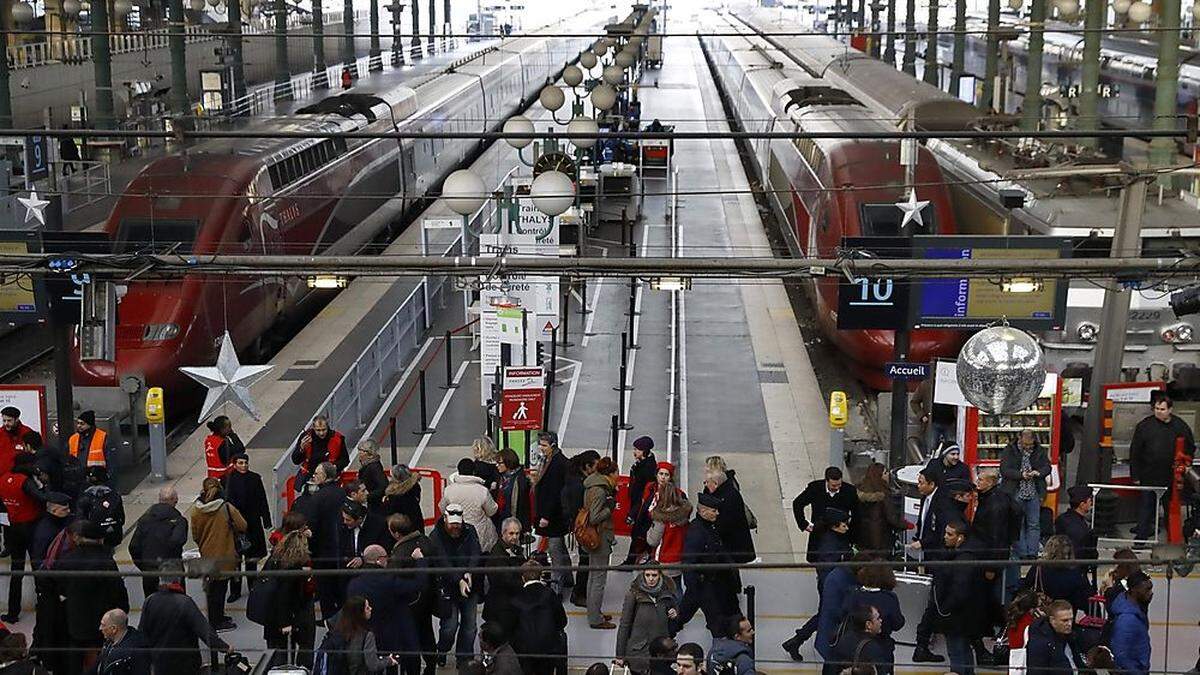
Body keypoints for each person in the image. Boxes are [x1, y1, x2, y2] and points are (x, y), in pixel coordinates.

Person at [56, 521, 129, 675]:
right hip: (100, 620)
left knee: (76, 655)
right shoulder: (105, 561)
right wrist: (122, 610)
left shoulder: (67, 559)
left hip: (75, 619)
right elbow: (117, 590)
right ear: (100, 540)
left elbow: (60, 587)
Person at [782, 508, 853, 660]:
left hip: (828, 583)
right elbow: (828, 568)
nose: (847, 528)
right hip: (830, 585)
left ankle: (797, 640)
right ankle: (798, 640)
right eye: (844, 525)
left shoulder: (830, 538)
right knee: (826, 614)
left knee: (823, 613)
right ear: (834, 526)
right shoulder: (830, 544)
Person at [344, 544, 424, 675]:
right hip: (390, 636)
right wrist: (420, 561)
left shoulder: (353, 584)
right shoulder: (388, 581)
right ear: (379, 560)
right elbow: (418, 585)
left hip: (363, 638)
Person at [138, 560, 228, 675]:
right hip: (185, 663)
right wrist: (224, 647)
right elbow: (205, 631)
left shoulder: (150, 601)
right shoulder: (185, 602)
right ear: (178, 579)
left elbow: (142, 634)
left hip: (161, 662)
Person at [1129, 396, 1195, 541]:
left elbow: (1190, 446)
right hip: (1148, 475)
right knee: (1146, 507)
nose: (1159, 412)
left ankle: (1171, 538)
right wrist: (1135, 476)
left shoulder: (1180, 426)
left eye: (1162, 409)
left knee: (1170, 508)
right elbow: (1135, 452)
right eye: (1157, 409)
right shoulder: (1144, 426)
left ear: (1170, 409)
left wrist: (1185, 465)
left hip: (1170, 477)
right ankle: (1141, 537)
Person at [674, 492, 739, 638]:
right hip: (703, 585)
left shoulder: (710, 528)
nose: (717, 513)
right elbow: (688, 562)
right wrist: (695, 586)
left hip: (713, 583)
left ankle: (667, 634)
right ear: (703, 511)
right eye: (714, 510)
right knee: (716, 624)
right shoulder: (697, 532)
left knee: (683, 616)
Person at [293, 461, 348, 621]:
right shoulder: (341, 493)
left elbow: (312, 526)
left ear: (324, 477)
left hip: (322, 551)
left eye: (317, 474)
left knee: (325, 590)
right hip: (340, 548)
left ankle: (329, 620)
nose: (314, 476)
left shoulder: (317, 498)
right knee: (339, 588)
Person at [260, 512, 317, 669]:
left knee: (280, 653)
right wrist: (285, 622)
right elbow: (284, 594)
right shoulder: (292, 561)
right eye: (305, 528)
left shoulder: (279, 549)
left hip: (279, 613)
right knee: (293, 650)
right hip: (293, 611)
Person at [429, 503, 482, 669]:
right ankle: (442, 649)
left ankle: (464, 658)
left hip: (468, 585)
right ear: (445, 520)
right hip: (447, 587)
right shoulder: (436, 536)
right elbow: (442, 562)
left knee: (470, 626)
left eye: (458, 524)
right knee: (449, 627)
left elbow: (476, 553)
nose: (455, 528)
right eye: (452, 525)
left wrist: (469, 573)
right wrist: (459, 579)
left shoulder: (470, 531)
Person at [190, 477, 246, 632]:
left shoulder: (196, 509)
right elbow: (243, 525)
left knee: (211, 589)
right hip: (225, 555)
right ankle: (218, 620)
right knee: (220, 590)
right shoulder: (226, 507)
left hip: (206, 555)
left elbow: (195, 535)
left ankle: (214, 618)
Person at [387, 513, 440, 675]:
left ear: (396, 533)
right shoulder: (426, 541)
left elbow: (391, 580)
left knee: (411, 643)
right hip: (427, 600)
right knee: (427, 635)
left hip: (409, 605)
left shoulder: (400, 554)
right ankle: (431, 666)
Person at [1, 451, 50, 623]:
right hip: (31, 527)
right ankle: (43, 602)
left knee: (17, 571)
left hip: (13, 529)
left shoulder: (4, 479)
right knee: (37, 566)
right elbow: (42, 497)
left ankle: (13, 612)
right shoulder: (25, 482)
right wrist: (43, 486)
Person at [930, 520, 980, 675]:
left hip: (957, 617)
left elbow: (960, 590)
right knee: (963, 650)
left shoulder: (963, 561)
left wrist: (945, 609)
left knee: (957, 651)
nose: (945, 537)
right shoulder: (962, 556)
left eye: (949, 534)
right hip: (963, 615)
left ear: (960, 538)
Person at [970, 470, 1017, 631]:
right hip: (986, 553)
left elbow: (996, 536)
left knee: (990, 593)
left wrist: (991, 565)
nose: (977, 482)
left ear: (990, 483)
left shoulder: (995, 505)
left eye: (981, 479)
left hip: (990, 556)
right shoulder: (991, 498)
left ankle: (992, 624)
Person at [222, 453, 271, 602]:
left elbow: (262, 499)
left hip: (252, 524)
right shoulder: (227, 480)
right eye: (240, 463)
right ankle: (235, 591)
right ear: (235, 464)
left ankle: (252, 587)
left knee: (251, 559)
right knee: (235, 561)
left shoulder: (255, 478)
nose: (244, 466)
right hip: (235, 526)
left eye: (245, 463)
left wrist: (266, 519)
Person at [614, 564, 679, 675]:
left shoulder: (667, 592)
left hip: (661, 653)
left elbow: (674, 613)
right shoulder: (633, 595)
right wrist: (620, 655)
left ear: (660, 575)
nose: (651, 579)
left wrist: (675, 613)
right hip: (639, 653)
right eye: (647, 575)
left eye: (654, 575)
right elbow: (624, 625)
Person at [128, 486, 188, 600]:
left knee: (152, 604)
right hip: (172, 571)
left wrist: (144, 565)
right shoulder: (179, 521)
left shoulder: (144, 520)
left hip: (150, 570)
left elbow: (133, 546)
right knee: (176, 605)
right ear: (175, 500)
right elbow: (177, 541)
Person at [508, 560, 568, 675]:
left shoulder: (516, 599)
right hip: (548, 649)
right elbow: (562, 621)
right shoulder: (550, 594)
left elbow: (511, 628)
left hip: (525, 651)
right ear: (540, 576)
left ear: (523, 578)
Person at [999, 429, 1051, 559]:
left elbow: (1047, 467)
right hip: (1015, 491)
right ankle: (1022, 552)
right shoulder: (1009, 450)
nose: (1028, 447)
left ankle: (1032, 553)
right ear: (1019, 439)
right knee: (1018, 524)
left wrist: (1038, 473)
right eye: (1025, 445)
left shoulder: (1039, 451)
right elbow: (1004, 470)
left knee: (1034, 523)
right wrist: (1020, 475)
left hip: (1034, 491)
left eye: (1030, 445)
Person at [843, 563, 904, 668]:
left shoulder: (853, 594)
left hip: (853, 646)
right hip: (882, 646)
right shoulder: (889, 598)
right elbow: (898, 623)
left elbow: (843, 614)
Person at [532, 432, 570, 593]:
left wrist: (545, 516)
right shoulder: (548, 460)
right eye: (540, 444)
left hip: (554, 516)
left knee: (555, 553)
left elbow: (554, 493)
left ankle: (557, 588)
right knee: (560, 549)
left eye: (544, 445)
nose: (541, 448)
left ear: (553, 445)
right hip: (552, 515)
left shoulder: (558, 464)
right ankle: (568, 579)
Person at [583, 457, 618, 629]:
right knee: (598, 579)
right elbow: (595, 516)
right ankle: (595, 618)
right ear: (610, 474)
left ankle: (593, 612)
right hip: (600, 537)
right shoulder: (600, 491)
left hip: (592, 536)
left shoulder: (591, 485)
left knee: (593, 576)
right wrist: (609, 507)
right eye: (616, 473)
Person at [701, 457, 756, 565]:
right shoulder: (722, 487)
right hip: (729, 546)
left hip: (732, 547)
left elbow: (726, 523)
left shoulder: (729, 495)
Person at [792, 467, 860, 553]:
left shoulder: (849, 491)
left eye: (839, 484)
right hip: (820, 532)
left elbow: (857, 513)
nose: (837, 488)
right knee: (818, 558)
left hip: (841, 533)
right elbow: (798, 503)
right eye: (833, 485)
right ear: (827, 481)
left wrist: (851, 531)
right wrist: (804, 524)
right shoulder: (815, 488)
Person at [562, 450, 599, 606]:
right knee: (585, 560)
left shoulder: (573, 479)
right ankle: (579, 592)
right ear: (587, 466)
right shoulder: (580, 485)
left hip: (577, 526)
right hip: (582, 527)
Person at [327, 595, 399, 675]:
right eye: (367, 608)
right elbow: (372, 665)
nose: (371, 609)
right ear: (360, 613)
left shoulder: (337, 631)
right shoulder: (367, 636)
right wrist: (388, 661)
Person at [644, 466, 691, 587]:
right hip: (680, 556)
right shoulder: (683, 515)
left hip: (664, 558)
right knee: (677, 587)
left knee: (665, 589)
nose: (663, 477)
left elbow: (652, 541)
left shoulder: (661, 518)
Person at [440, 458, 499, 552]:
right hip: (480, 533)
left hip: (456, 531)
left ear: (458, 472)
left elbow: (442, 509)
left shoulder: (449, 490)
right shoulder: (482, 491)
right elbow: (492, 511)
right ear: (474, 471)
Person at [1023, 535, 1091, 612]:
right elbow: (1084, 600)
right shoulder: (1075, 571)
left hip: (1044, 613)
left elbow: (1025, 588)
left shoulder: (1039, 567)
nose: (1066, 557)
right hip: (1066, 614)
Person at [483, 517, 525, 631]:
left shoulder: (516, 549)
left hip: (510, 602)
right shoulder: (497, 554)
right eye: (511, 533)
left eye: (517, 533)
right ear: (503, 533)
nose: (515, 537)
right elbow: (506, 580)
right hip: (500, 607)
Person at [853, 462, 904, 556]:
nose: (888, 474)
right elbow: (891, 517)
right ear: (879, 476)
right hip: (881, 538)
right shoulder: (883, 493)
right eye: (885, 473)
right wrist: (904, 525)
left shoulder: (858, 491)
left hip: (862, 538)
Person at [827, 604, 893, 675]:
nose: (881, 621)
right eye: (877, 618)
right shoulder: (873, 649)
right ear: (868, 625)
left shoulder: (842, 641)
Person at [1109, 571, 1153, 675]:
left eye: (1151, 588)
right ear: (1133, 589)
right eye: (1147, 590)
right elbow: (1120, 654)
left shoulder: (1136, 609)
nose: (1151, 593)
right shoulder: (1127, 620)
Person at [1025, 599, 1084, 674]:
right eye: (1065, 620)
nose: (1069, 624)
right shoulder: (1040, 644)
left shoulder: (1071, 637)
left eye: (1071, 620)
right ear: (1052, 620)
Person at [624, 436, 658, 564]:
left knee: (638, 534)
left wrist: (633, 513)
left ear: (644, 451)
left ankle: (631, 560)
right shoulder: (641, 464)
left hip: (641, 506)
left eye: (637, 449)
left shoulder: (647, 469)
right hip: (638, 504)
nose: (634, 452)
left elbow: (642, 494)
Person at [290, 415, 348, 488]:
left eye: (324, 430)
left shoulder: (338, 438)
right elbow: (295, 461)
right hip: (309, 476)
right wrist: (301, 448)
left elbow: (345, 460)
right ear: (313, 428)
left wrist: (333, 467)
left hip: (329, 478)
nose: (321, 433)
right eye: (318, 430)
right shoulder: (306, 437)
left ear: (328, 427)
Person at [87, 610, 149, 675]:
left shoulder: (135, 651)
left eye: (103, 625)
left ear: (114, 629)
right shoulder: (109, 644)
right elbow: (95, 668)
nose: (100, 628)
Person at [75, 467, 124, 548]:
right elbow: (122, 518)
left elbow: (80, 519)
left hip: (93, 539)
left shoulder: (85, 497)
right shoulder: (115, 496)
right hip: (113, 536)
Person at [1055, 485, 1098, 565]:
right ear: (1082, 504)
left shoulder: (1062, 518)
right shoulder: (1079, 527)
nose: (1091, 503)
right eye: (1089, 501)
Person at [492, 448, 531, 531]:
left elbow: (523, 505)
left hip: (514, 521)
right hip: (501, 519)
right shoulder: (501, 477)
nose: (496, 465)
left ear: (508, 462)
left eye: (499, 463)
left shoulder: (521, 479)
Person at [381, 464, 424, 532]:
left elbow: (390, 511)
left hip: (401, 527)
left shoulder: (395, 495)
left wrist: (385, 502)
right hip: (416, 522)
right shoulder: (414, 487)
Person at [202, 416, 243, 480]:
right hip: (225, 477)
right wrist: (232, 434)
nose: (230, 429)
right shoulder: (223, 443)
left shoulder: (209, 440)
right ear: (222, 429)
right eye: (229, 427)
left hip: (212, 477)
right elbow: (240, 449)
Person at [356, 440, 388, 515]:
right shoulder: (368, 465)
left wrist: (368, 496)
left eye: (361, 451)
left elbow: (383, 485)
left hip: (375, 504)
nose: (359, 453)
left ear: (368, 453)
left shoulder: (374, 467)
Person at [0, 407, 34, 475]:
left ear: (17, 419)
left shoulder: (28, 433)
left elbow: (36, 453)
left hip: (23, 476)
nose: (6, 423)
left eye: (9, 421)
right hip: (3, 476)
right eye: (4, 421)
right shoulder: (0, 434)